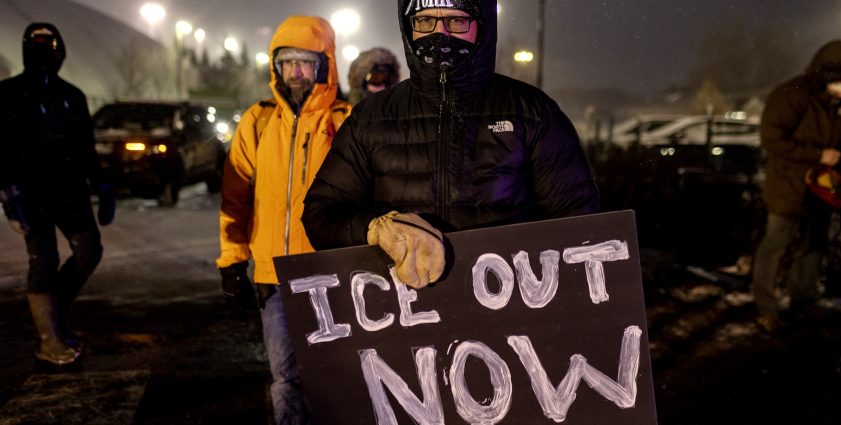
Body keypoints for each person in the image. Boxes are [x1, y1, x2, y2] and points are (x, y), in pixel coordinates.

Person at [302, 0, 600, 289]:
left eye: (457, 21)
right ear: (409, 26)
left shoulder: (532, 113)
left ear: (481, 26)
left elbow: (578, 224)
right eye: (425, 21)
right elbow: (321, 216)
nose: (439, 34)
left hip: (508, 311)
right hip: (402, 318)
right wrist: (375, 229)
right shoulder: (370, 118)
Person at [216, 16, 351, 424]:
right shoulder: (257, 122)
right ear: (275, 67)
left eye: (305, 62)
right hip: (273, 278)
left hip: (331, 274)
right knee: (285, 376)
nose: (295, 72)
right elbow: (235, 198)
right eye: (286, 62)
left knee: (334, 373)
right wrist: (232, 261)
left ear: (324, 65)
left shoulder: (346, 121)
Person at [0, 23, 115, 365]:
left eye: (48, 46)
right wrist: (9, 199)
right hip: (30, 195)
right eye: (36, 47)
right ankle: (49, 339)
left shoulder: (72, 96)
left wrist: (102, 186)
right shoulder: (7, 95)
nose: (42, 54)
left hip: (70, 193)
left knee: (88, 251)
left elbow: (86, 150)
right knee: (43, 261)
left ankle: (56, 310)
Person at [753, 40, 841, 331]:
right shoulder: (791, 95)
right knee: (776, 245)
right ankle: (766, 308)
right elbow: (772, 139)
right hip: (788, 185)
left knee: (813, 246)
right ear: (827, 76)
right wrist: (816, 155)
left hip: (823, 189)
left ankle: (804, 302)